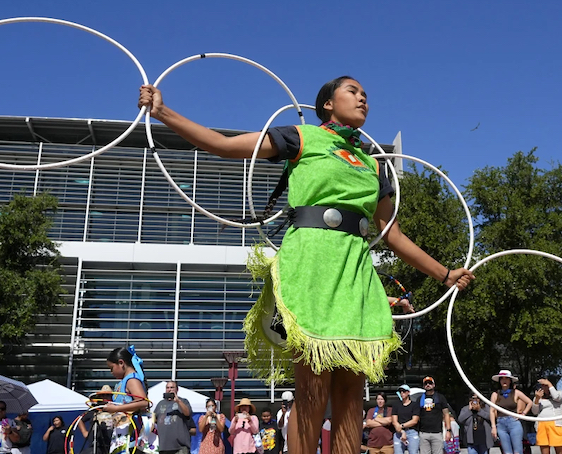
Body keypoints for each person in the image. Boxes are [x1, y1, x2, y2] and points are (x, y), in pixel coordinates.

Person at [139, 76, 474, 454]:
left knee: (350, 389)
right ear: (327, 104)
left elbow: (391, 233)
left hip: (355, 271)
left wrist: (444, 274)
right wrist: (162, 111)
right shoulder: (303, 137)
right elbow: (225, 146)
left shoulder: (374, 164)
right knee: (312, 386)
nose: (363, 97)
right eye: (353, 91)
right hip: (312, 262)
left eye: (366, 94)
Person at [102, 347, 150, 454]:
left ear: (121, 363)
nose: (111, 372)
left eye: (111, 368)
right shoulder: (124, 381)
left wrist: (116, 408)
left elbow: (143, 402)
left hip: (132, 432)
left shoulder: (132, 379)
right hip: (123, 431)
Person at [153, 381, 192, 454]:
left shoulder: (183, 401)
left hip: (180, 446)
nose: (169, 389)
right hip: (164, 447)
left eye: (172, 387)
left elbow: (187, 413)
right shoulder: (160, 403)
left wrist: (178, 401)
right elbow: (154, 420)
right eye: (167, 388)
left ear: (177, 389)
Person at [418, 376, 454, 454]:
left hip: (437, 433)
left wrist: (448, 430)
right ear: (423, 386)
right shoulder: (420, 399)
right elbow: (417, 415)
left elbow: (446, 414)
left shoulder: (440, 397)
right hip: (423, 433)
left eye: (430, 383)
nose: (428, 385)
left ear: (434, 385)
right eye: (426, 383)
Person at [530, 378, 562, 454]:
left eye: (545, 385)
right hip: (542, 424)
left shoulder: (560, 393)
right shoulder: (538, 398)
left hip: (556, 424)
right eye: (542, 386)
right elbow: (534, 411)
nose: (543, 388)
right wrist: (537, 399)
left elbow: (556, 397)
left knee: (560, 450)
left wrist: (549, 384)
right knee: (544, 449)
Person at [391, 385, 419, 454]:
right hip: (399, 432)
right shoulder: (396, 405)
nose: (402, 393)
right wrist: (402, 431)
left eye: (404, 391)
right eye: (400, 391)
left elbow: (414, 421)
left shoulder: (414, 405)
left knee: (413, 452)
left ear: (408, 392)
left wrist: (402, 426)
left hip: (411, 432)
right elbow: (394, 421)